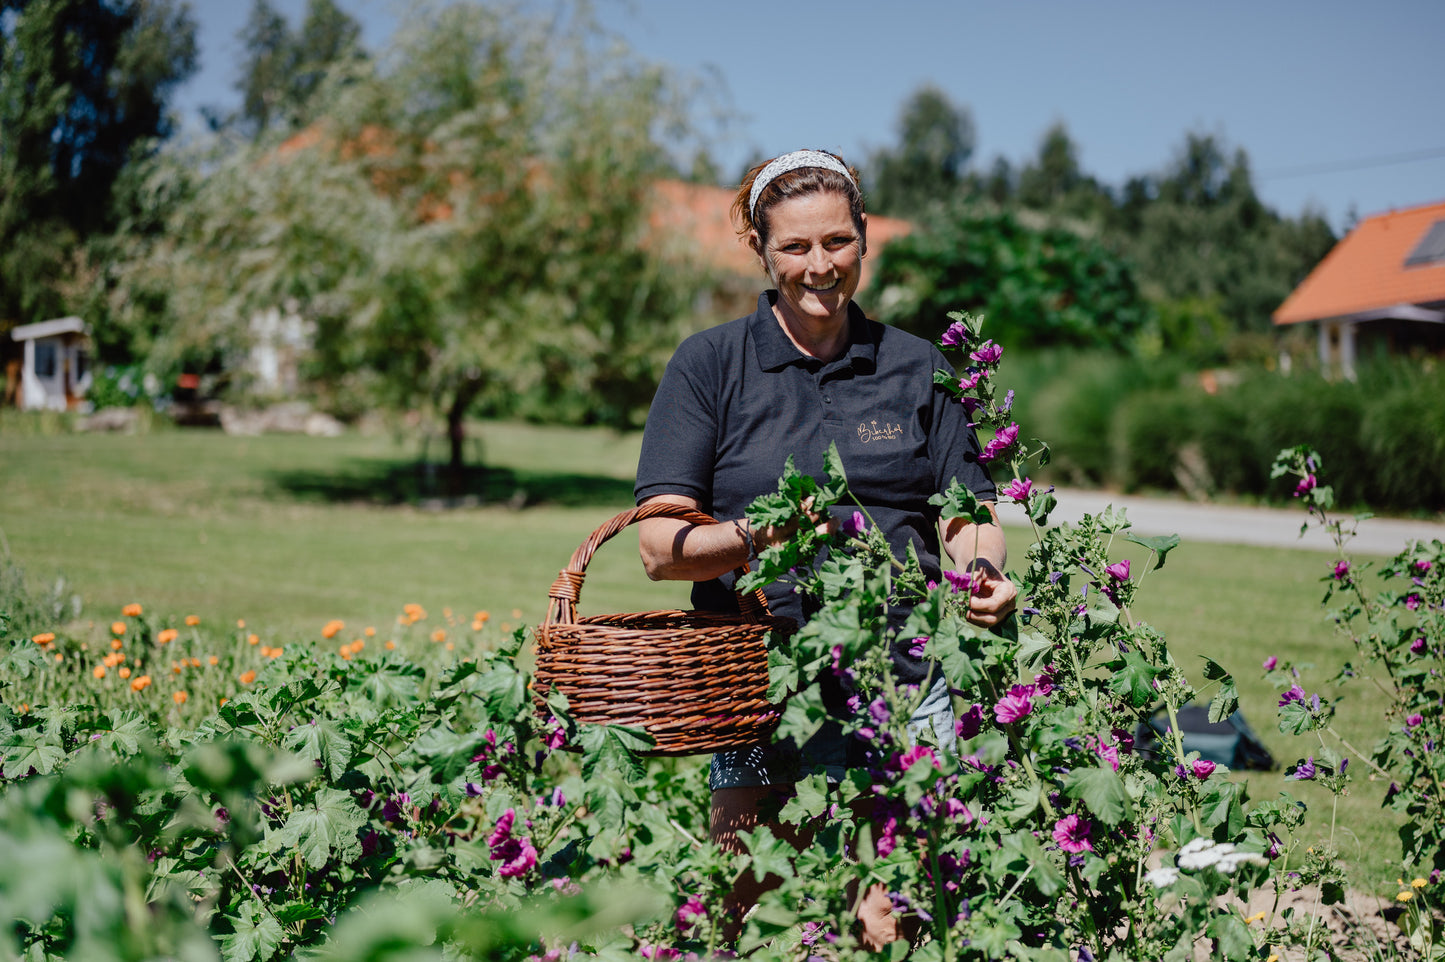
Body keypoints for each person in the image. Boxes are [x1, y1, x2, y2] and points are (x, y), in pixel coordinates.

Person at [633, 148, 1016, 949]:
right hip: (755, 683)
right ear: (760, 249)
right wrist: (755, 535)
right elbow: (662, 549)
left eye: (836, 242)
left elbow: (966, 511)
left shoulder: (916, 367)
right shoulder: (710, 366)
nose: (819, 266)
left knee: (899, 912)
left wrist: (981, 570)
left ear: (864, 238)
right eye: (796, 247)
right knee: (749, 899)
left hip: (902, 678)